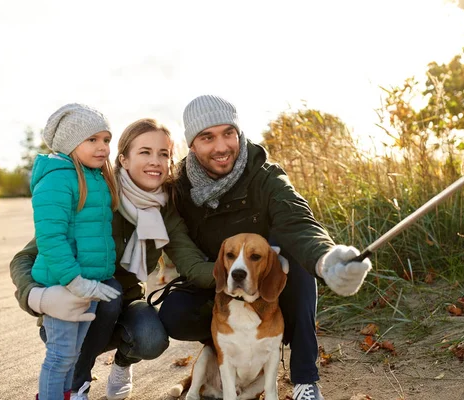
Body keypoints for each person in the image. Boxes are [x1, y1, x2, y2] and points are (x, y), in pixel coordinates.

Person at [158, 94, 373, 400]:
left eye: (228, 133)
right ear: (192, 144)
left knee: (296, 266)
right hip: (216, 280)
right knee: (175, 314)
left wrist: (326, 259)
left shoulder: (266, 176)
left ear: (239, 134)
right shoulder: (179, 188)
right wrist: (229, 278)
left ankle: (304, 380)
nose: (221, 147)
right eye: (207, 137)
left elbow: (297, 222)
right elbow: (187, 258)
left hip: (269, 280)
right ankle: (228, 350)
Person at [10, 118, 215, 400]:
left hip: (127, 302)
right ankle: (77, 382)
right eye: (145, 152)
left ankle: (122, 363)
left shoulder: (165, 210)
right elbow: (26, 257)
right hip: (78, 303)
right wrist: (36, 298)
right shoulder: (97, 194)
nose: (155, 161)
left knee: (151, 338)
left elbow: (190, 263)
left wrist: (238, 273)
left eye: (163, 154)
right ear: (124, 159)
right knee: (109, 296)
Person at [29, 103, 122, 400]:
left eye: (106, 139)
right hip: (65, 284)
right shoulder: (57, 178)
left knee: (74, 354)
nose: (103, 147)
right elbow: (51, 238)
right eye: (92, 140)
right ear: (70, 142)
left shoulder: (95, 177)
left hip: (89, 284)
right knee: (60, 357)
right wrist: (73, 281)